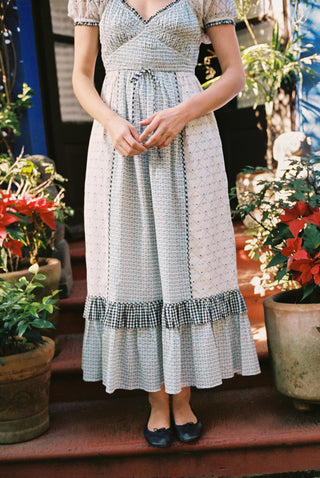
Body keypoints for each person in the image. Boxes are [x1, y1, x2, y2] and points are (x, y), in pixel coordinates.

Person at [68, 0, 261, 448]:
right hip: (121, 148)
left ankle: (184, 397)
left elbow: (234, 75)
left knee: (188, 265)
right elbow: (81, 75)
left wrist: (182, 112)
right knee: (132, 265)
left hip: (189, 140)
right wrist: (111, 121)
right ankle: (157, 400)